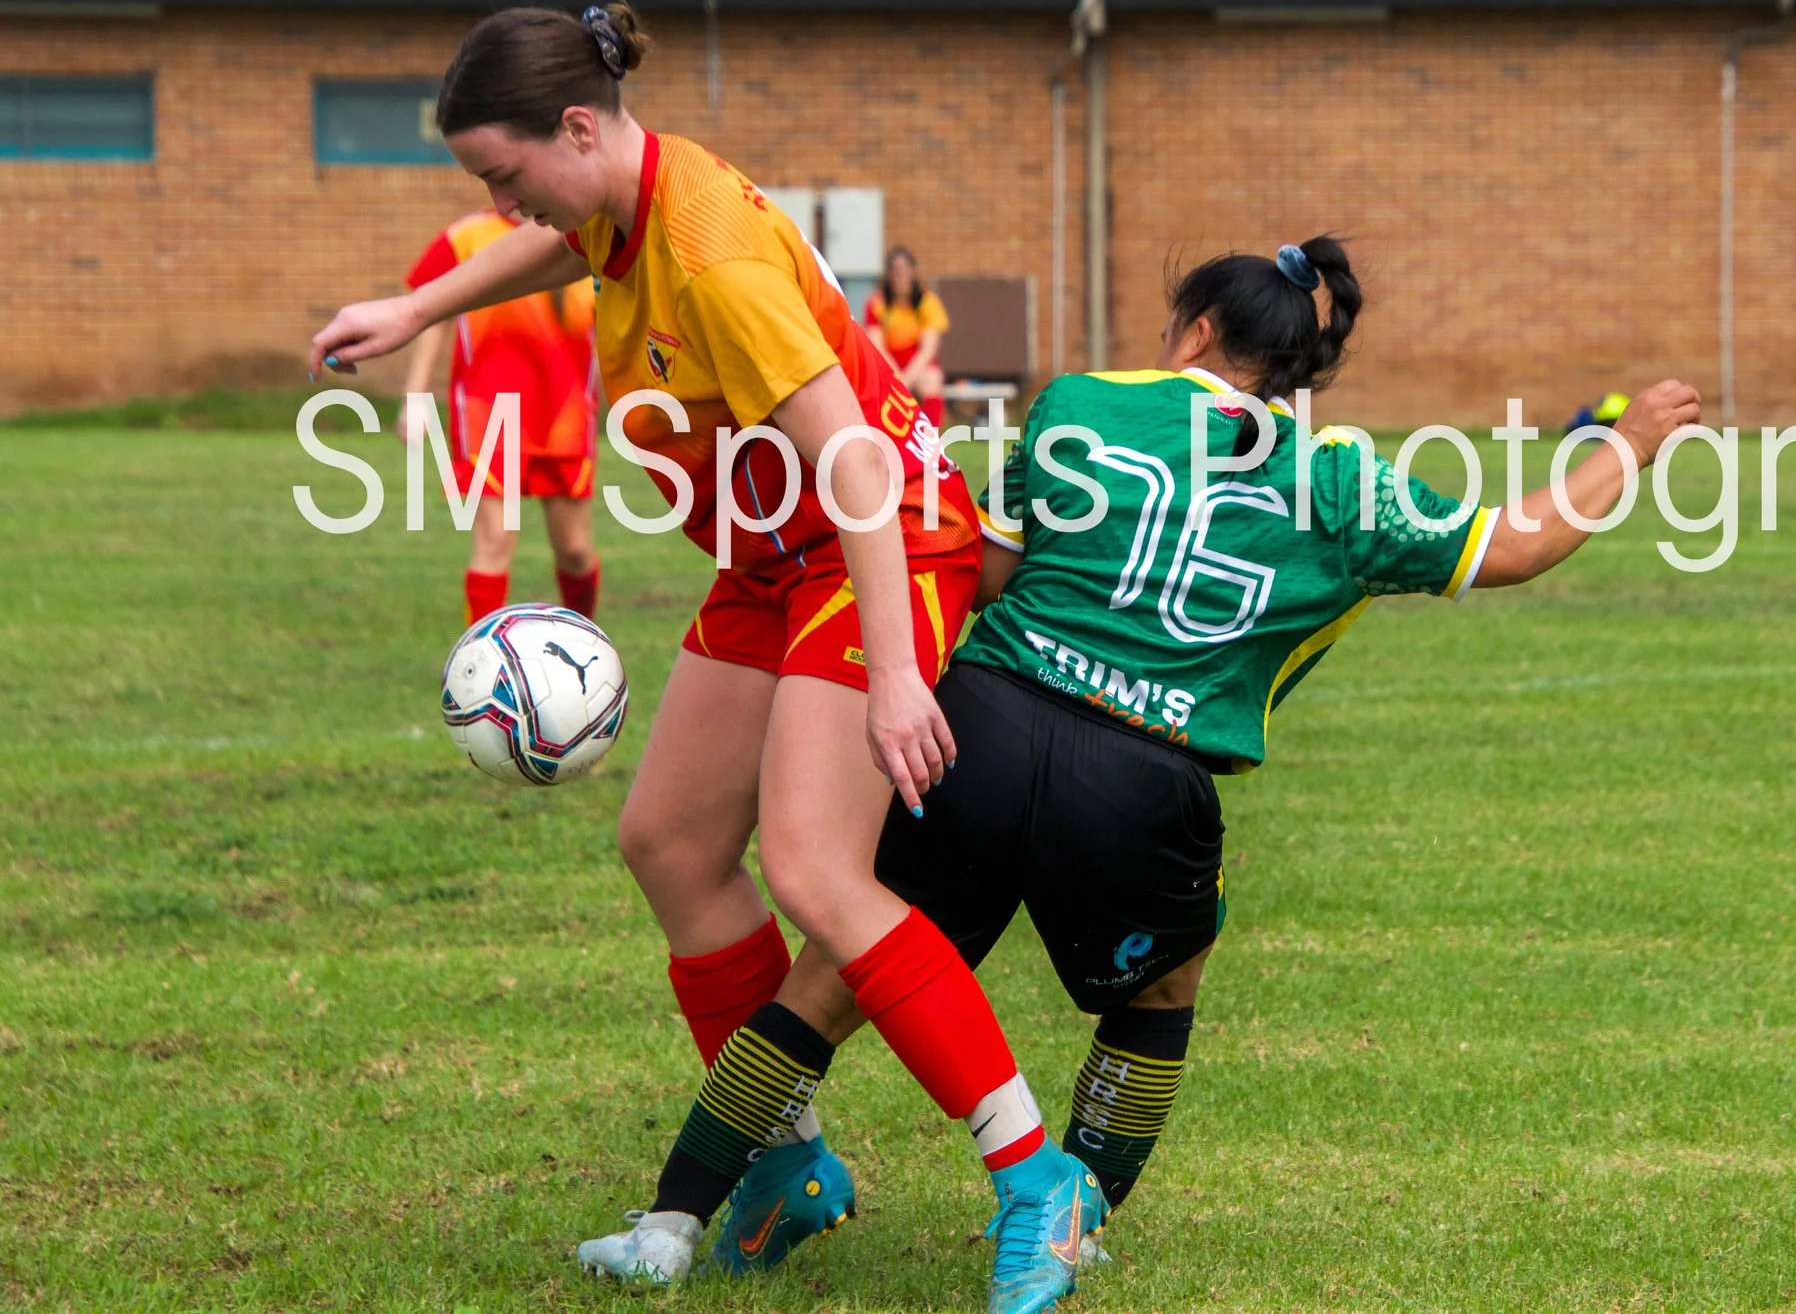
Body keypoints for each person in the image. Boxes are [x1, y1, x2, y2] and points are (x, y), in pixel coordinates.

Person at [627, 234, 1701, 1264]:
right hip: (1145, 786)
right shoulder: (1344, 481)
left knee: (832, 974)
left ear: (1194, 332)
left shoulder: (1081, 404)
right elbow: (1517, 542)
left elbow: (982, 577)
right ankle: (1069, 1223)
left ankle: (673, 1224)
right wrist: (1632, 442)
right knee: (1162, 988)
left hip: (980, 735)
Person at [308, 4, 1105, 1310]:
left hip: (876, 540)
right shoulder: (621, 196)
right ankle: (785, 1163)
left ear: (577, 127)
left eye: (504, 174)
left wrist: (896, 675)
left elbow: (859, 465)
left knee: (816, 868)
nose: (501, 207)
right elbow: (558, 241)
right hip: (771, 556)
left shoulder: (712, 255)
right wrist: (416, 306)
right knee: (670, 841)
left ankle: (1036, 1175)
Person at [396, 213, 602, 621]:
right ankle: (479, 655)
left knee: (575, 550)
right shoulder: (467, 237)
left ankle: (586, 643)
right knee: (494, 541)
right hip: (487, 413)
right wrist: (415, 395)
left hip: (564, 416)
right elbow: (428, 312)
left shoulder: (589, 233)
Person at [863, 245, 948, 426]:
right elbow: (877, 347)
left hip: (915, 363)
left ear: (912, 272)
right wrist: (896, 377)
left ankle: (931, 436)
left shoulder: (928, 302)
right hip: (888, 362)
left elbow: (928, 350)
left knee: (932, 379)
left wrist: (905, 380)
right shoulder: (876, 303)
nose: (899, 275)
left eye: (903, 269)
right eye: (894, 270)